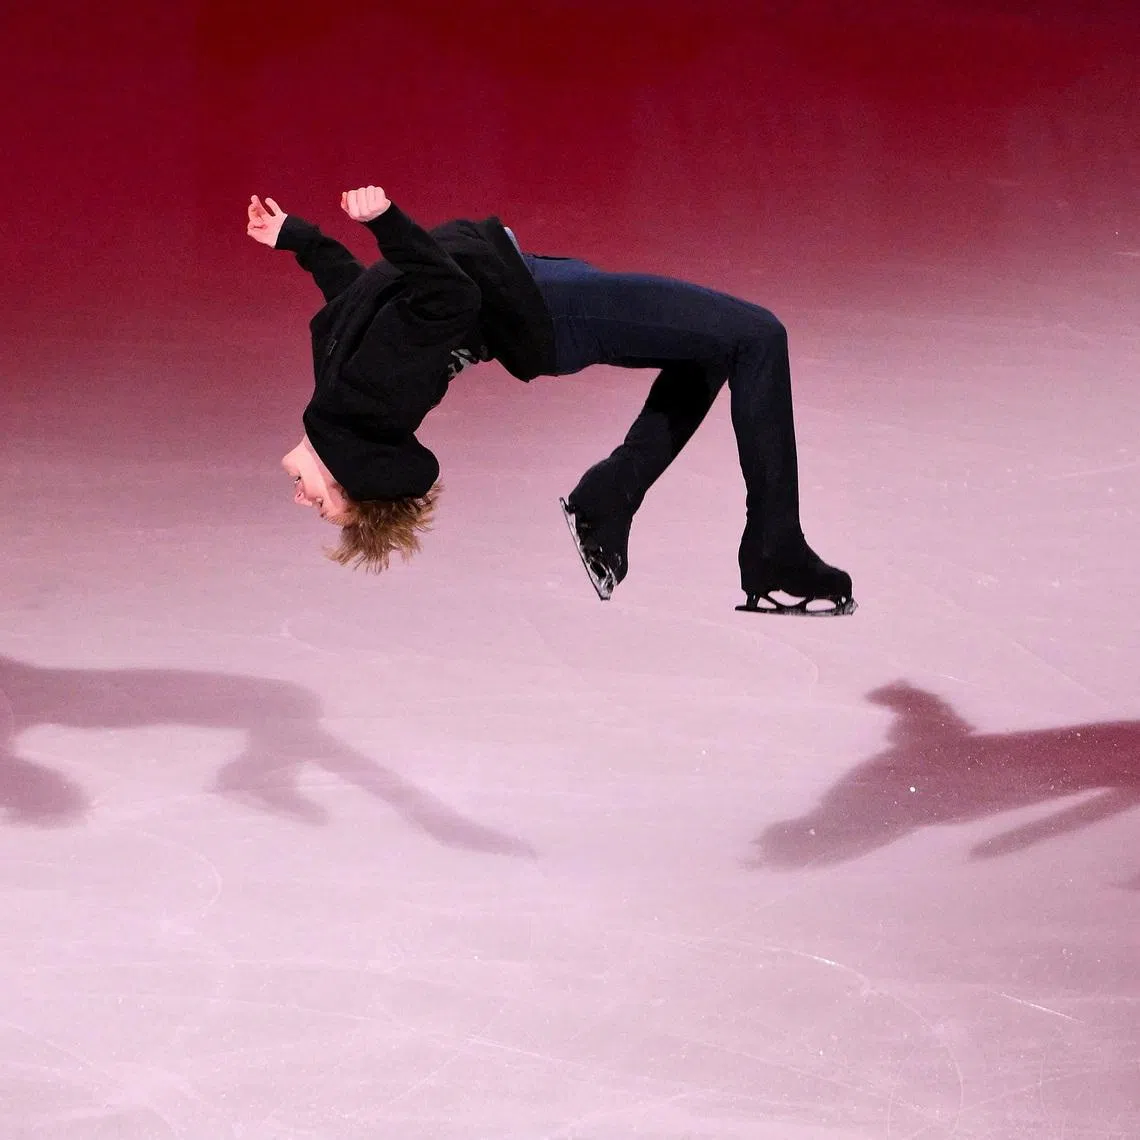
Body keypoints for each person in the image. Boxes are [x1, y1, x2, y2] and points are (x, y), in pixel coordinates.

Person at [246, 185, 855, 615]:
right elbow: (450, 297)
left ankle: (609, 498)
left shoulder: (340, 391)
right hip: (555, 312)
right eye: (323, 505)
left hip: (541, 292)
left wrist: (298, 239)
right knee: (757, 336)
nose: (302, 498)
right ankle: (774, 549)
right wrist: (386, 223)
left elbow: (357, 294)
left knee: (714, 348)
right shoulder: (373, 402)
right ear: (354, 476)